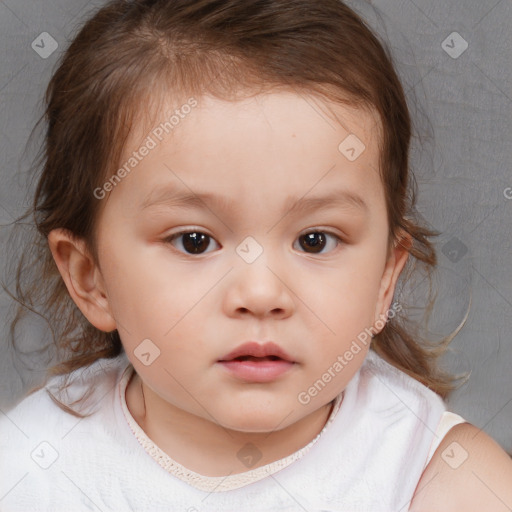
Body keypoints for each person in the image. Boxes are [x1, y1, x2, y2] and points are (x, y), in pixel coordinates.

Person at [1, 0, 511, 510]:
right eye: (194, 241)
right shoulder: (33, 469)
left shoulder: (443, 481)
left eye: (315, 240)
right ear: (92, 278)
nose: (262, 294)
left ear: (384, 280)